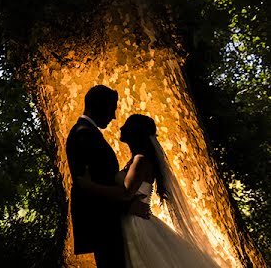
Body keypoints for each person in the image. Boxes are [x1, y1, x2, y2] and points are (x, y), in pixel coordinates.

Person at [99, 114, 223, 268]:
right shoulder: (136, 160)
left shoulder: (140, 160)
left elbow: (126, 193)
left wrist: (89, 186)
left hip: (135, 223)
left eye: (127, 125)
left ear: (135, 132)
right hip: (130, 219)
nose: (121, 127)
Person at [66, 85, 150, 268]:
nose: (113, 116)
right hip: (102, 222)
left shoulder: (88, 133)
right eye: (112, 109)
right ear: (98, 106)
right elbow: (90, 184)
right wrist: (128, 203)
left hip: (108, 221)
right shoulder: (84, 135)